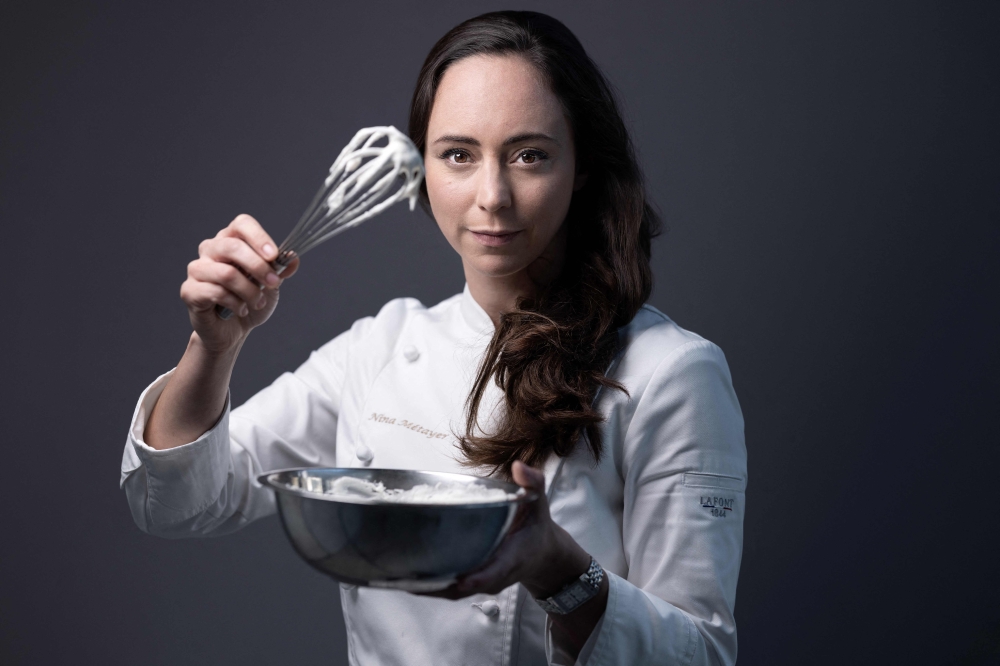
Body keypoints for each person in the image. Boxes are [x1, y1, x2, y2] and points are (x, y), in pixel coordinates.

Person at [120, 10, 746, 666]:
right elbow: (179, 505)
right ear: (423, 171)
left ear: (581, 165)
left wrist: (560, 570)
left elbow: (700, 654)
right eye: (458, 155)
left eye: (529, 154)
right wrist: (213, 349)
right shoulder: (379, 347)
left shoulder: (670, 373)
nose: (492, 195)